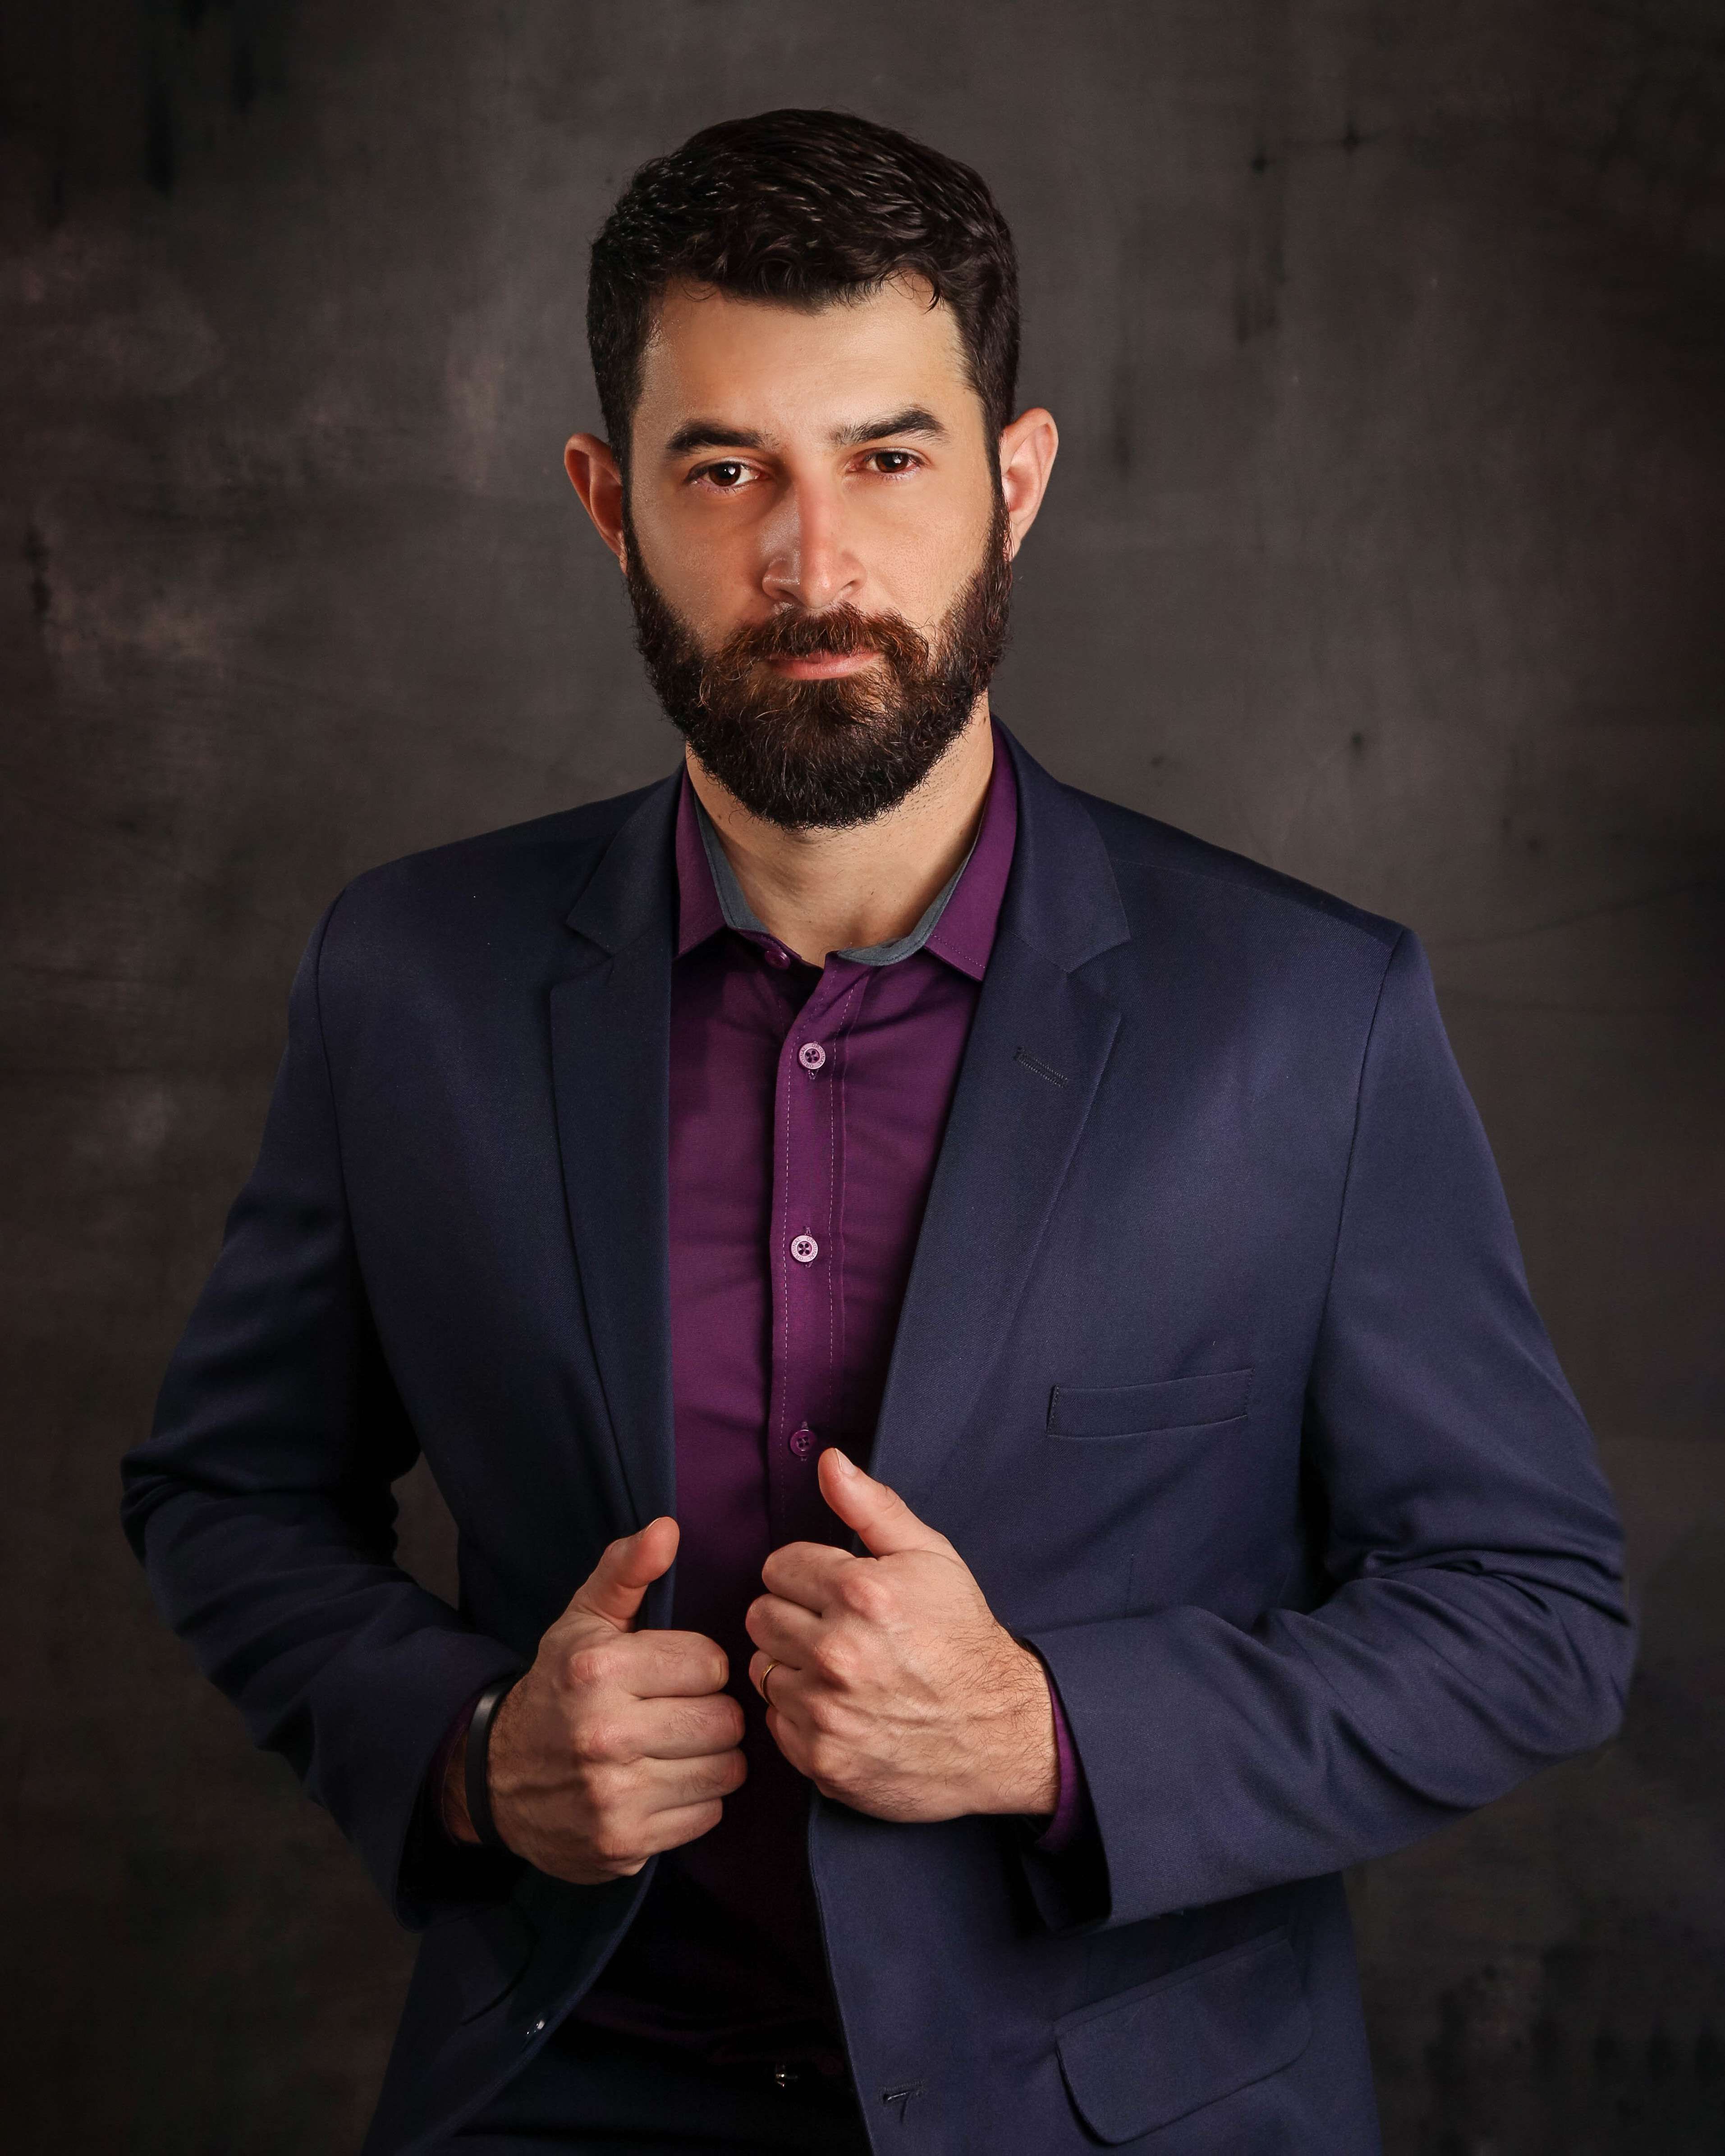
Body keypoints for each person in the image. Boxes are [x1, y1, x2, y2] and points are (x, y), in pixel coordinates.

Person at [122, 109, 1633, 2156]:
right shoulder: (406, 977)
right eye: (724, 469)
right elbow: (229, 1490)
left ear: (1016, 483)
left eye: (889, 460)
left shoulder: (1311, 1014)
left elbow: (1532, 1612)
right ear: (606, 503)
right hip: (563, 2091)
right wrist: (472, 1751)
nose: (811, 565)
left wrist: (1050, 1733)